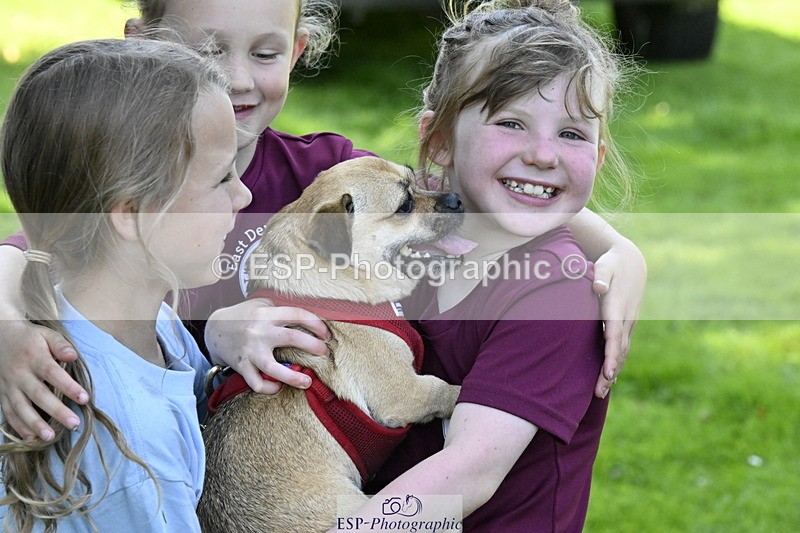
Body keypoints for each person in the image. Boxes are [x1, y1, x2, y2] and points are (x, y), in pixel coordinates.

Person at [0, 0, 645, 443]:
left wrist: (618, 247)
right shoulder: (131, 193)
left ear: (299, 49)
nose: (236, 78)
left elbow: (453, 185)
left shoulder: (326, 172)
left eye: (265, 52)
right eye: (207, 51)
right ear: (145, 48)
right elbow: (29, 251)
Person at [348, 1, 636, 531]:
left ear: (596, 158)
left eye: (571, 134)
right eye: (511, 123)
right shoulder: (407, 239)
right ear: (440, 141)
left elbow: (469, 471)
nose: (544, 155)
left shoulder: (558, 294)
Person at [0, 39, 252, 531]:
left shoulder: (136, 318)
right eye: (223, 178)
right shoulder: (134, 455)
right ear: (134, 216)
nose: (244, 194)